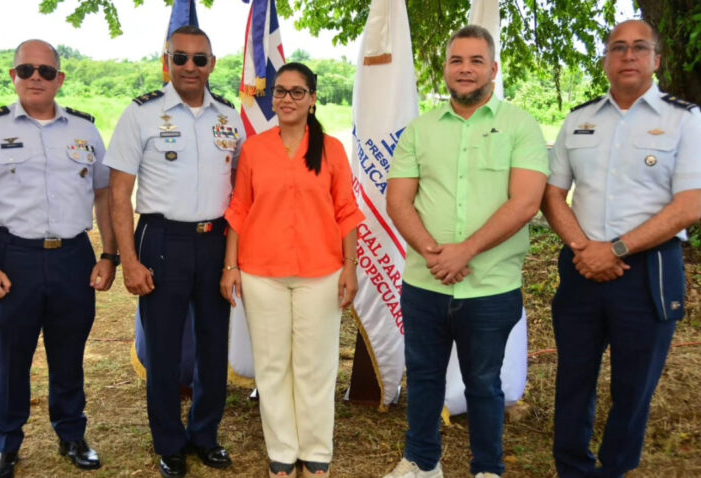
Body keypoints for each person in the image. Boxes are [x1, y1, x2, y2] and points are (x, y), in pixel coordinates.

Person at [541, 19, 701, 478]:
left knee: (634, 384)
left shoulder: (683, 119)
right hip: (581, 267)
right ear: (605, 60)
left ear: (656, 60)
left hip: (648, 272)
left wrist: (615, 248)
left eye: (639, 48)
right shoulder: (579, 119)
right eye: (618, 48)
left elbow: (689, 207)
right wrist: (585, 248)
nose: (628, 56)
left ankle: (615, 469)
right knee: (574, 379)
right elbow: (551, 193)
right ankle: (572, 468)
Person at [383, 25, 548, 478]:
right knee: (423, 378)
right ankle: (421, 463)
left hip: (491, 286)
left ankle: (487, 469)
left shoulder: (521, 125)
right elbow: (398, 200)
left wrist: (465, 252)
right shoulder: (420, 129)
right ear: (445, 70)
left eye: (476, 61)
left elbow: (526, 202)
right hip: (424, 281)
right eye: (457, 61)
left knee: (483, 384)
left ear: (493, 69)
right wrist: (435, 252)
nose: (466, 69)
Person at [0, 39, 117, 478]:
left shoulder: (84, 130)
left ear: (60, 78)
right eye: (26, 70)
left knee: (69, 354)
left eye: (46, 71)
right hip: (14, 257)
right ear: (14, 76)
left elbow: (104, 196)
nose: (36, 78)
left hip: (72, 257)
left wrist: (109, 254)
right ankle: (6, 444)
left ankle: (71, 435)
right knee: (12, 357)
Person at [104, 25, 244, 478]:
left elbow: (244, 189)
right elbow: (118, 194)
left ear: (212, 65)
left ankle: (205, 435)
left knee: (211, 343)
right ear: (167, 61)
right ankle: (169, 443)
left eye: (199, 59)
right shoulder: (141, 114)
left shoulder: (229, 117)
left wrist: (235, 258)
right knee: (163, 349)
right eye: (180, 58)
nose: (190, 67)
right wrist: (128, 258)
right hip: (161, 240)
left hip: (216, 240)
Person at [220, 62, 364, 478]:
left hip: (321, 272)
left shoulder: (332, 149)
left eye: (297, 92)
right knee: (272, 366)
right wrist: (230, 265)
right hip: (261, 272)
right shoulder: (255, 149)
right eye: (280, 91)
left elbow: (347, 213)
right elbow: (240, 210)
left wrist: (350, 268)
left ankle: (316, 453)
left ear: (313, 99)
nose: (287, 99)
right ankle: (282, 452)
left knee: (315, 366)